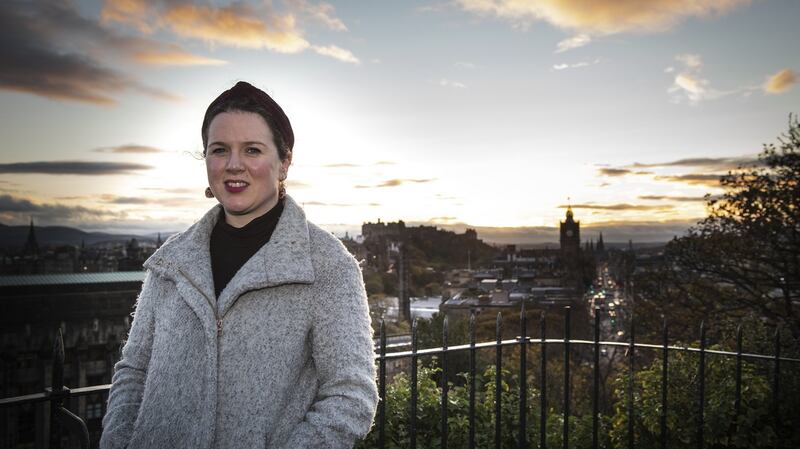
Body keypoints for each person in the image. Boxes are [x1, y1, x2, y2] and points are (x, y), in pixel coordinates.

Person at [100, 81, 379, 449]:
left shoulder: (327, 266)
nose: (234, 165)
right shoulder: (172, 261)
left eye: (252, 149)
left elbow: (350, 395)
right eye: (220, 150)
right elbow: (134, 372)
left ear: (284, 162)